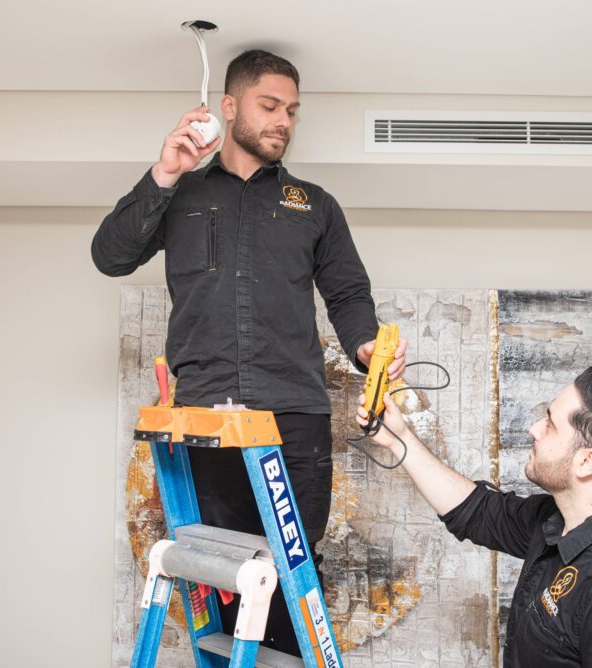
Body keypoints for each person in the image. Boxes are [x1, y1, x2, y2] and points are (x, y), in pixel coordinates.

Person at [92, 49, 406, 656]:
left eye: (291, 110)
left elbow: (346, 291)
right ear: (229, 107)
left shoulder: (314, 205)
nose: (283, 120)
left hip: (295, 422)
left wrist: (366, 343)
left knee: (291, 578)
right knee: (225, 582)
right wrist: (163, 172)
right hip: (209, 420)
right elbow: (110, 255)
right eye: (269, 106)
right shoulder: (179, 195)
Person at [357, 365, 592, 666]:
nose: (535, 428)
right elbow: (478, 513)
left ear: (587, 462)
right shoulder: (561, 518)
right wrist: (398, 439)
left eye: (551, 424)